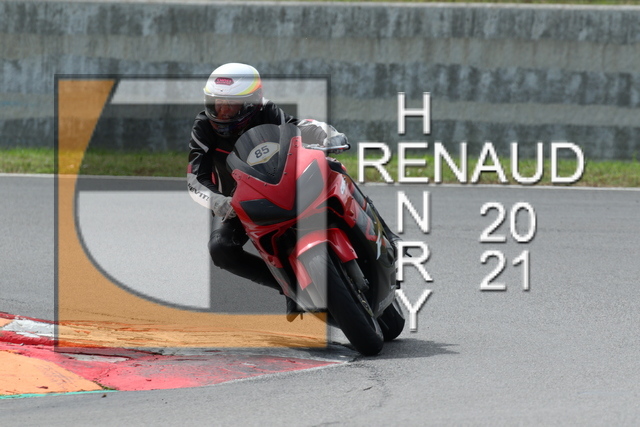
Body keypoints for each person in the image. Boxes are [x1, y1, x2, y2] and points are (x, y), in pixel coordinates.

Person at [187, 63, 397, 320]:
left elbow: (298, 128)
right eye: (217, 104)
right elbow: (195, 178)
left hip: (285, 183)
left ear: (252, 103)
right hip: (239, 202)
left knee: (333, 166)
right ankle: (289, 288)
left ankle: (387, 235)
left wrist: (327, 135)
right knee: (220, 248)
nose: (222, 112)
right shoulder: (203, 127)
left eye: (231, 105)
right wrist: (220, 202)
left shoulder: (266, 110)